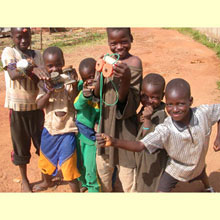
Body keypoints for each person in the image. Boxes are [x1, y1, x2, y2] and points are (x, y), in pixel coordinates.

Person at [96, 78, 220, 192]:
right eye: (170, 104)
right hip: (176, 169)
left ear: (190, 101)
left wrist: (218, 137)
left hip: (198, 163)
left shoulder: (203, 113)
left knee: (202, 173)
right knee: (160, 192)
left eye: (180, 104)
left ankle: (208, 187)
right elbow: (140, 145)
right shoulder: (165, 129)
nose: (175, 109)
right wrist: (113, 142)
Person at [94, 28, 143, 192]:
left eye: (124, 41)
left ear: (131, 38)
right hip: (105, 124)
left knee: (128, 176)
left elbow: (127, 103)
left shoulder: (134, 63)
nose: (119, 47)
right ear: (108, 43)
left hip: (124, 129)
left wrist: (126, 79)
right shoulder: (106, 61)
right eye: (113, 43)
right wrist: (99, 74)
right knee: (104, 173)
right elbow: (97, 93)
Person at [1, 27, 48, 192]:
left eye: (26, 36)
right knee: (20, 145)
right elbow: (13, 74)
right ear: (12, 37)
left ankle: (45, 177)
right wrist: (32, 68)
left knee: (42, 144)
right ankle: (24, 180)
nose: (23, 40)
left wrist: (37, 73)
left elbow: (40, 80)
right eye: (18, 37)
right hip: (18, 109)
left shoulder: (38, 55)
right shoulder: (9, 52)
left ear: (31, 36)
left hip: (36, 108)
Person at [33, 46, 80, 192]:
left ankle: (75, 191)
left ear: (64, 62)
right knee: (45, 160)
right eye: (50, 66)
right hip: (50, 130)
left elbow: (76, 102)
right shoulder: (44, 83)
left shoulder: (68, 80)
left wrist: (73, 83)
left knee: (69, 166)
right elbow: (39, 104)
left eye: (58, 64)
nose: (55, 69)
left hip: (67, 130)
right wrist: (49, 92)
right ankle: (47, 182)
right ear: (45, 67)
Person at [135, 73, 168, 192]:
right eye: (144, 96)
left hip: (152, 162)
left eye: (154, 97)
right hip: (142, 159)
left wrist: (147, 120)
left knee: (149, 187)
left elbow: (148, 140)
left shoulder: (160, 116)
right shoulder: (146, 109)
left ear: (162, 96)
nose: (148, 101)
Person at [74, 57, 101, 192]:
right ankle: (83, 182)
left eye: (92, 76)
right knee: (80, 163)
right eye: (86, 78)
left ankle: (93, 188)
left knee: (91, 166)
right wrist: (85, 95)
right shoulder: (83, 91)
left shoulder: (103, 92)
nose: (90, 81)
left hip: (92, 137)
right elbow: (77, 105)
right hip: (80, 135)